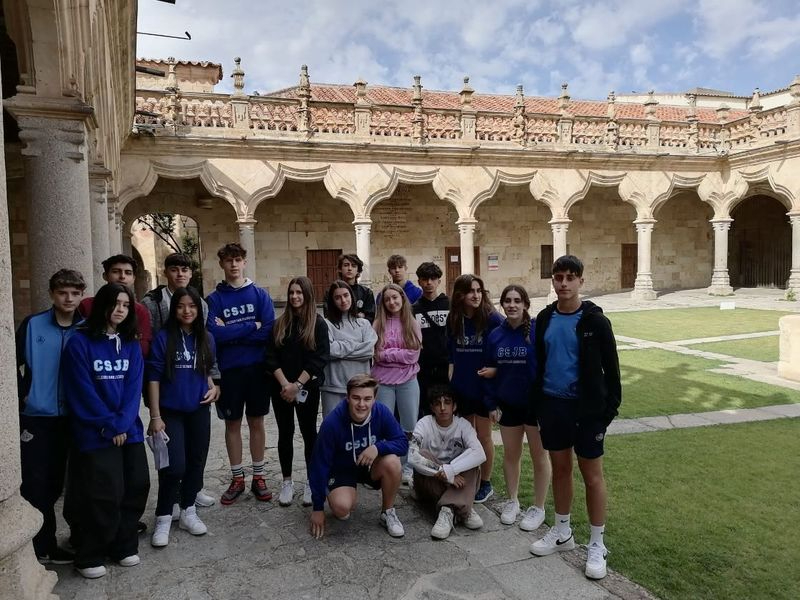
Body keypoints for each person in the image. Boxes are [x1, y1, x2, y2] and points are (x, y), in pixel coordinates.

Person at [529, 255, 621, 581]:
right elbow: (539, 363)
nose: (564, 283)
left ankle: (597, 543)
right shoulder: (543, 319)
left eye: (570, 277)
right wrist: (539, 404)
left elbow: (612, 372)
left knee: (592, 474)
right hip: (554, 406)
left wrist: (606, 412)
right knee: (561, 470)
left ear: (581, 281)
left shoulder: (595, 322)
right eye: (558, 277)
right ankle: (563, 531)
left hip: (587, 410)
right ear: (552, 281)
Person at [62, 283, 149, 579]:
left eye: (125, 304)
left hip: (128, 430)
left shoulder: (131, 343)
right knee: (103, 494)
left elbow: (133, 387)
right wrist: (108, 425)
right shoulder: (79, 342)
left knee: (137, 485)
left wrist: (122, 424)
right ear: (102, 305)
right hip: (95, 432)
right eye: (115, 303)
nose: (120, 309)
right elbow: (81, 390)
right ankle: (90, 554)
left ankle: (123, 545)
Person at [16, 269, 86, 565]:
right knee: (37, 483)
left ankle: (74, 538)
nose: (68, 298)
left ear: (81, 295)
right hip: (38, 416)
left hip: (73, 415)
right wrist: (23, 395)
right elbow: (13, 363)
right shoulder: (33, 325)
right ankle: (41, 545)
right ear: (51, 294)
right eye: (62, 293)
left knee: (63, 482)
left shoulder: (85, 328)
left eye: (74, 293)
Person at [146, 287, 220, 548]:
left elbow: (206, 370)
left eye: (192, 306)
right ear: (174, 309)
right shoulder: (164, 338)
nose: (187, 311)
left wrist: (215, 387)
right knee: (173, 465)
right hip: (170, 411)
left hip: (199, 408)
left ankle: (188, 510)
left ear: (199, 310)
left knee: (196, 461)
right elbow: (153, 377)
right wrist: (155, 416)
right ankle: (164, 517)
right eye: (181, 306)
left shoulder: (207, 338)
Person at [142, 252, 216, 509]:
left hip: (192, 388)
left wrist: (210, 383)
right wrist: (154, 410)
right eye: (175, 269)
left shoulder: (201, 304)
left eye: (185, 269)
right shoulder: (151, 302)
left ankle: (192, 493)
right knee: (173, 456)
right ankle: (170, 499)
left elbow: (201, 348)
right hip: (165, 384)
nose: (180, 274)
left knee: (197, 451)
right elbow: (148, 344)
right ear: (167, 272)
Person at [206, 243, 275, 505]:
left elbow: (266, 331)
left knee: (257, 422)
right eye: (228, 261)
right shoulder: (214, 299)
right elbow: (214, 335)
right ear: (221, 264)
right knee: (232, 424)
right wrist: (249, 326)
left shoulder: (260, 295)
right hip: (230, 371)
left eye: (237, 260)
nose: (233, 265)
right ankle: (237, 478)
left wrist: (232, 333)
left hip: (257, 369)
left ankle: (259, 476)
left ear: (244, 262)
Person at [483, 285, 551, 531]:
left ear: (525, 304)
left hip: (534, 406)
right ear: (502, 304)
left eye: (517, 300)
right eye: (507, 301)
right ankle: (512, 501)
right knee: (511, 455)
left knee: (539, 456)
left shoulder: (536, 331)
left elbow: (546, 368)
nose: (512, 305)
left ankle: (538, 507)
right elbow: (488, 371)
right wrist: (491, 404)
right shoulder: (495, 336)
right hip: (508, 405)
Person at [308, 375, 408, 539]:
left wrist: (377, 448)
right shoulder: (332, 422)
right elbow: (318, 465)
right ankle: (342, 492)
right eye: (356, 398)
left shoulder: (381, 412)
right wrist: (318, 508)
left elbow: (403, 443)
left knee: (393, 462)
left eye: (367, 399)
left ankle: (388, 512)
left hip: (369, 465)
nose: (362, 404)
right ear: (347, 397)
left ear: (375, 398)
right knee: (342, 509)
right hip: (342, 470)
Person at [266, 276, 330, 507]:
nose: (294, 296)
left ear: (308, 295)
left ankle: (311, 483)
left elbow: (319, 359)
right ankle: (286, 481)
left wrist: (297, 386)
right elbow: (271, 357)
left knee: (308, 433)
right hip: (281, 389)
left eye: (299, 292)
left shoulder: (318, 324)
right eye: (292, 292)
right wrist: (286, 385)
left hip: (306, 389)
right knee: (285, 433)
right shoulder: (279, 324)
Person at [447, 274, 503, 503]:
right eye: (471, 291)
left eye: (479, 290)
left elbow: (505, 348)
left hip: (484, 388)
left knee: (483, 436)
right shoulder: (454, 319)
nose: (476, 295)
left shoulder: (492, 319)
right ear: (460, 295)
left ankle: (486, 482)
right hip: (462, 387)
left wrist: (496, 372)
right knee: (465, 436)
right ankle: (471, 476)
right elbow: (451, 353)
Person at [408, 384, 486, 539]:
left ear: (454, 406)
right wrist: (444, 473)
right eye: (437, 403)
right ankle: (464, 505)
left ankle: (448, 510)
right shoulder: (424, 423)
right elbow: (412, 456)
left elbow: (480, 453)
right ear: (432, 407)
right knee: (423, 453)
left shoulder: (463, 425)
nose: (443, 408)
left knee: (471, 459)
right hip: (431, 481)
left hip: (456, 479)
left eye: (447, 402)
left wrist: (451, 470)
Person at [371, 283, 422, 484]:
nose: (392, 302)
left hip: (408, 380)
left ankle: (408, 466)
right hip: (383, 381)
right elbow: (376, 354)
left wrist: (388, 354)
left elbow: (413, 354)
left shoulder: (411, 322)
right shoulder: (377, 324)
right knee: (384, 426)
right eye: (387, 299)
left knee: (409, 426)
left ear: (402, 298)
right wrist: (396, 354)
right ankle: (387, 465)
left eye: (395, 297)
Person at [321, 280, 378, 418]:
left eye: (346, 295)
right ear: (332, 301)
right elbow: (330, 351)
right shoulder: (326, 324)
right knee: (333, 430)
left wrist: (341, 347)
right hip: (333, 387)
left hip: (360, 388)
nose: (343, 300)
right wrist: (356, 344)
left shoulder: (363, 324)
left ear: (352, 297)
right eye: (337, 297)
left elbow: (369, 351)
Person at [79, 254, 152, 357]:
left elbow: (143, 348)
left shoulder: (140, 310)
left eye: (128, 273)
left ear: (134, 278)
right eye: (116, 271)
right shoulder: (87, 305)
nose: (122, 276)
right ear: (105, 276)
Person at [412, 262, 449, 418]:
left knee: (447, 407)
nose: (429, 283)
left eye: (433, 278)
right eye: (425, 279)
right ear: (419, 281)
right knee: (426, 409)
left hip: (447, 366)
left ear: (439, 281)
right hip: (423, 368)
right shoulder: (413, 309)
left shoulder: (450, 304)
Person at [322, 254, 375, 322]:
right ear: (340, 269)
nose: (349, 268)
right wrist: (357, 316)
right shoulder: (330, 292)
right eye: (346, 265)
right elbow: (328, 314)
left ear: (358, 271)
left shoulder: (367, 292)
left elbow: (370, 317)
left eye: (353, 266)